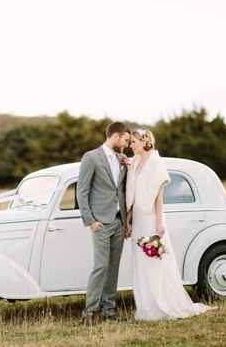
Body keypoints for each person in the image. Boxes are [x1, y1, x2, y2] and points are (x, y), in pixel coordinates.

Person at [125, 128, 216, 321]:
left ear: (144, 141)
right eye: (130, 142)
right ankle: (147, 306)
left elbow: (158, 196)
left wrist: (159, 223)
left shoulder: (155, 162)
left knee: (155, 260)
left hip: (151, 218)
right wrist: (129, 221)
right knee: (141, 262)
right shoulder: (136, 162)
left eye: (133, 142)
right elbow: (132, 194)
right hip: (139, 219)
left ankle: (162, 305)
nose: (131, 145)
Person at [77, 121, 131, 326]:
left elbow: (122, 190)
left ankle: (109, 310)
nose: (126, 145)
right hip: (100, 222)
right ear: (116, 136)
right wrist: (90, 220)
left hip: (119, 221)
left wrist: (126, 222)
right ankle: (89, 312)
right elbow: (82, 191)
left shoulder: (122, 159)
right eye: (125, 140)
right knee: (100, 266)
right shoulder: (91, 158)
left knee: (113, 267)